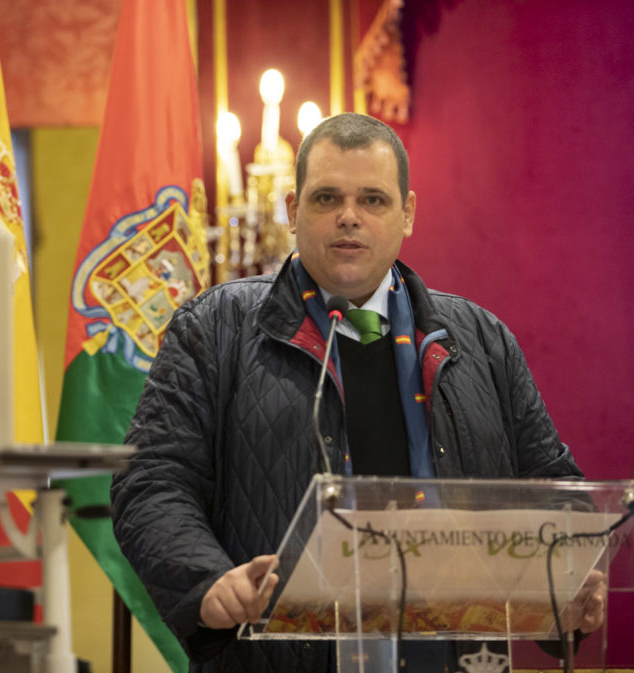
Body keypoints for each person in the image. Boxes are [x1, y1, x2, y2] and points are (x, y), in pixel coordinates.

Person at [111, 113, 600, 673]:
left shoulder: (482, 340)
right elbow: (151, 482)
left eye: (373, 199)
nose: (349, 217)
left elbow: (555, 490)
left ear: (407, 213)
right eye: (326, 199)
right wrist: (207, 581)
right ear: (292, 211)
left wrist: (564, 580)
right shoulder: (213, 328)